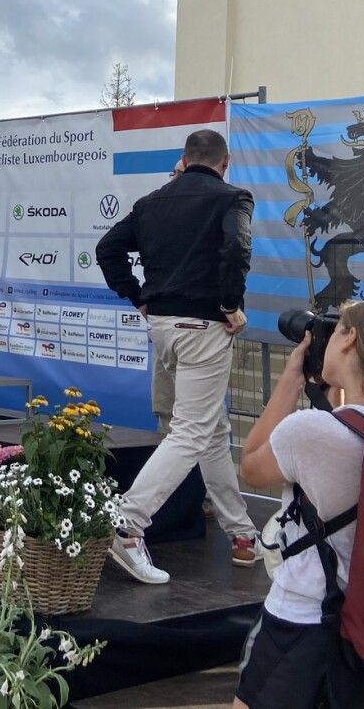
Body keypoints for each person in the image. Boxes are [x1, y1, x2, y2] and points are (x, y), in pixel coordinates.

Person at [233, 299, 364, 709]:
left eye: (337, 329)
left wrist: (292, 378)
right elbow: (350, 435)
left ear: (351, 339)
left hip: (303, 619)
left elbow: (251, 466)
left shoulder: (310, 432)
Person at [95, 128, 257, 583]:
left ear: (185, 160)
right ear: (224, 164)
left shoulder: (152, 202)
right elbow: (237, 248)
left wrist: (137, 297)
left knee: (208, 429)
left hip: (162, 326)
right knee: (192, 430)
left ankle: (241, 534)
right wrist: (230, 304)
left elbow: (107, 248)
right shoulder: (233, 197)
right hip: (202, 327)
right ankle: (127, 523)